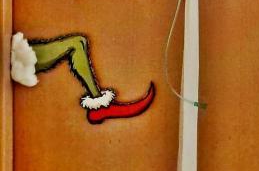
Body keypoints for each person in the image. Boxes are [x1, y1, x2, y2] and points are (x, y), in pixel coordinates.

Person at [10, 32, 155, 125]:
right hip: (15, 54)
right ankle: (100, 104)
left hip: (17, 52)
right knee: (77, 43)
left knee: (78, 43)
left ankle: (99, 102)